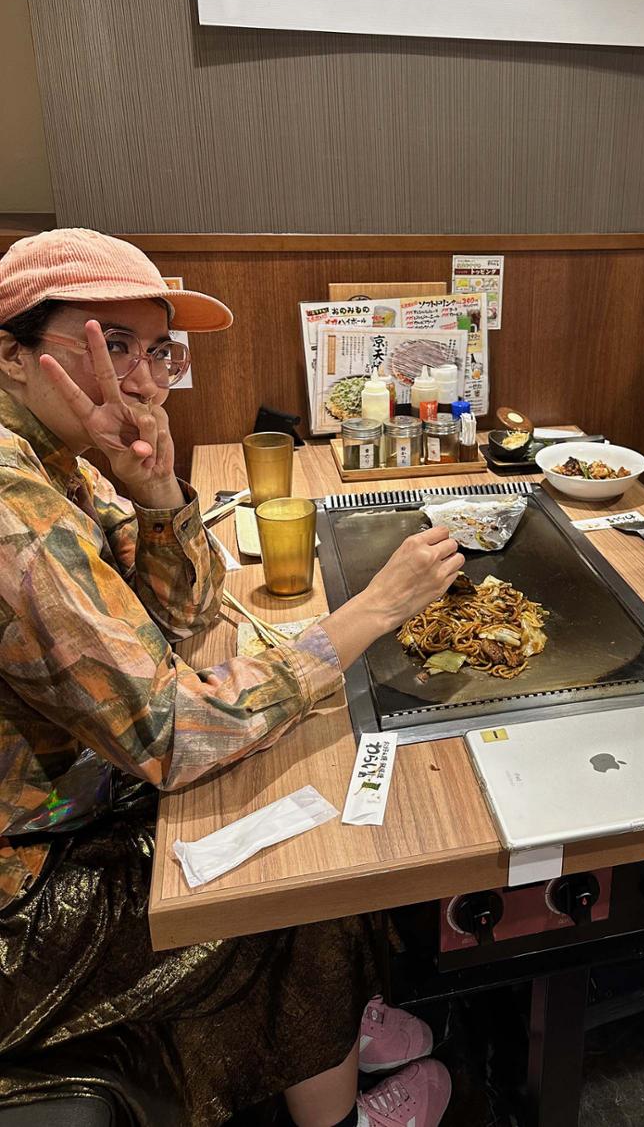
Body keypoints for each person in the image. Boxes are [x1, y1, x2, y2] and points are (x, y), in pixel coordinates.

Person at [0, 229, 461, 1127]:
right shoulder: (15, 517)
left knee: (309, 799)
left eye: (154, 349)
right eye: (105, 346)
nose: (139, 378)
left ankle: (332, 1034)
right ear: (12, 356)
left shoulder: (58, 463)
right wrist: (367, 612)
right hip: (27, 893)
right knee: (304, 874)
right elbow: (174, 733)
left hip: (94, 798)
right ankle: (340, 1114)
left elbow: (186, 619)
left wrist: (161, 494)